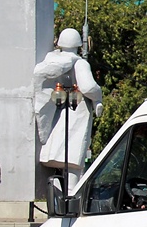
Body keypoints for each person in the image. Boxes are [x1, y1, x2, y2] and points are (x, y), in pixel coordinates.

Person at [33, 28, 103, 187]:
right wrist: (98, 99)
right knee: (73, 158)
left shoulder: (51, 60)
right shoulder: (79, 63)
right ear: (79, 44)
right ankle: (71, 193)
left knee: (59, 153)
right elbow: (88, 87)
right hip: (76, 109)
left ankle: (57, 190)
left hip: (58, 109)